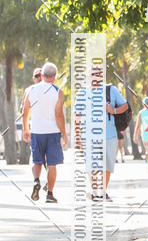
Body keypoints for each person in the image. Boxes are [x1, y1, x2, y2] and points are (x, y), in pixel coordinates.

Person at [73, 68, 129, 200]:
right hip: (88, 136)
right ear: (87, 77)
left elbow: (125, 106)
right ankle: (95, 191)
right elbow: (77, 116)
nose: (95, 77)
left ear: (101, 76)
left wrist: (113, 110)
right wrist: (77, 136)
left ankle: (102, 192)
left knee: (107, 166)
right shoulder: (82, 93)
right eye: (92, 75)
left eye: (97, 74)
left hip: (109, 135)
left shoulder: (110, 90)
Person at [22, 62, 67, 204]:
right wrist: (64, 134)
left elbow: (25, 111)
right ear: (54, 76)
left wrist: (25, 129)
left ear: (42, 75)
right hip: (53, 132)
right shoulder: (58, 92)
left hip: (36, 131)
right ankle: (50, 194)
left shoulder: (31, 90)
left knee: (37, 161)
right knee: (52, 164)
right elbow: (59, 115)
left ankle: (36, 181)